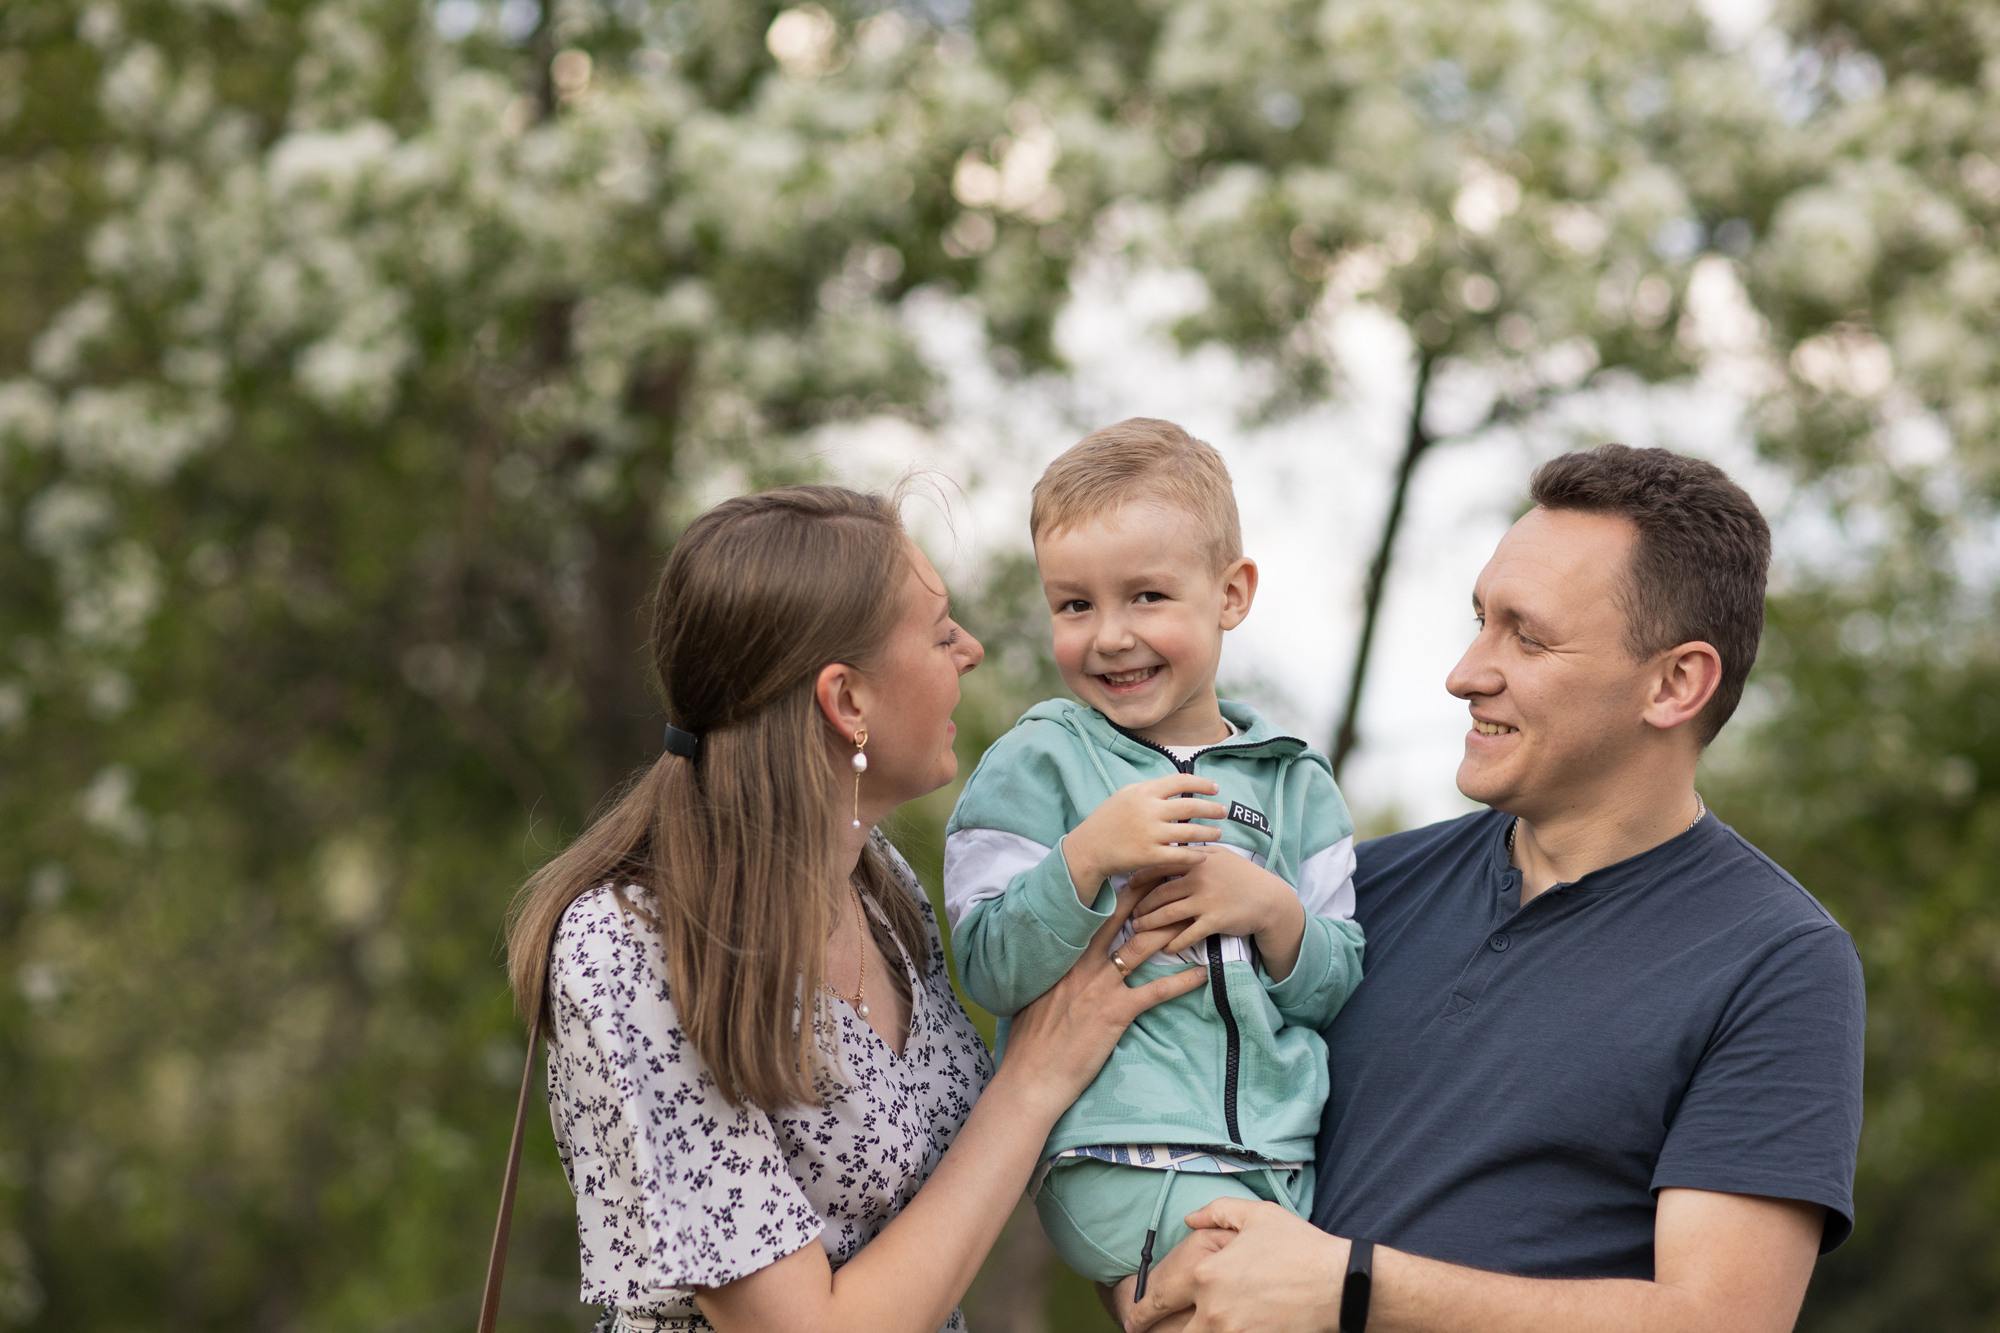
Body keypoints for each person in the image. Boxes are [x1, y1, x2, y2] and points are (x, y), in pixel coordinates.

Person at [1123, 444, 1867, 1333]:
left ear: (1675, 683)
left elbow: (1723, 1320)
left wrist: (1353, 1286)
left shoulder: (1778, 961)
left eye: (1527, 634)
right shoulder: (1354, 895)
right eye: (1480, 619)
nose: (1466, 672)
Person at [504, 485, 1209, 1333]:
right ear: (848, 702)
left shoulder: (880, 888)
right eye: (942, 631)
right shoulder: (629, 947)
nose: (972, 650)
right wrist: (1034, 1080)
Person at [944, 420, 1366, 1299]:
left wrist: (1274, 911)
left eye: (1146, 596)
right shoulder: (1040, 761)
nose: (1108, 636)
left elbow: (1337, 984)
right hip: (1119, 1154)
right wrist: (1086, 857)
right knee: (1258, 1301)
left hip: (1283, 1158)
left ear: (1231, 593)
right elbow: (987, 963)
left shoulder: (1294, 781)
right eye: (1074, 605)